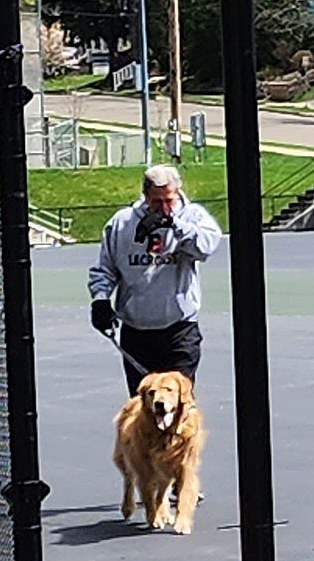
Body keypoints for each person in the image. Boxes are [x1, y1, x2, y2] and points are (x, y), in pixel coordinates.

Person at [89, 165, 224, 396]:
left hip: (179, 329)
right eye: (156, 202)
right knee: (144, 407)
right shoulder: (122, 223)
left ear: (177, 193)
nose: (163, 209)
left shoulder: (192, 216)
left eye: (168, 201)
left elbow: (206, 247)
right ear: (145, 196)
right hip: (137, 332)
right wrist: (100, 300)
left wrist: (176, 226)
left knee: (178, 406)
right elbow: (105, 269)